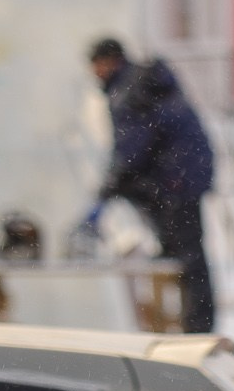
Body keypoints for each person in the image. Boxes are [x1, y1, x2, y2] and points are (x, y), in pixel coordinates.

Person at [90, 37, 219, 332]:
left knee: (186, 256)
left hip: (175, 180)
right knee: (184, 255)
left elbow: (132, 145)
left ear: (109, 61)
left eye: (96, 65)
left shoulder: (130, 89)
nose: (94, 73)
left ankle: (197, 327)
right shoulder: (140, 82)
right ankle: (191, 322)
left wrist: (113, 184)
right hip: (180, 177)